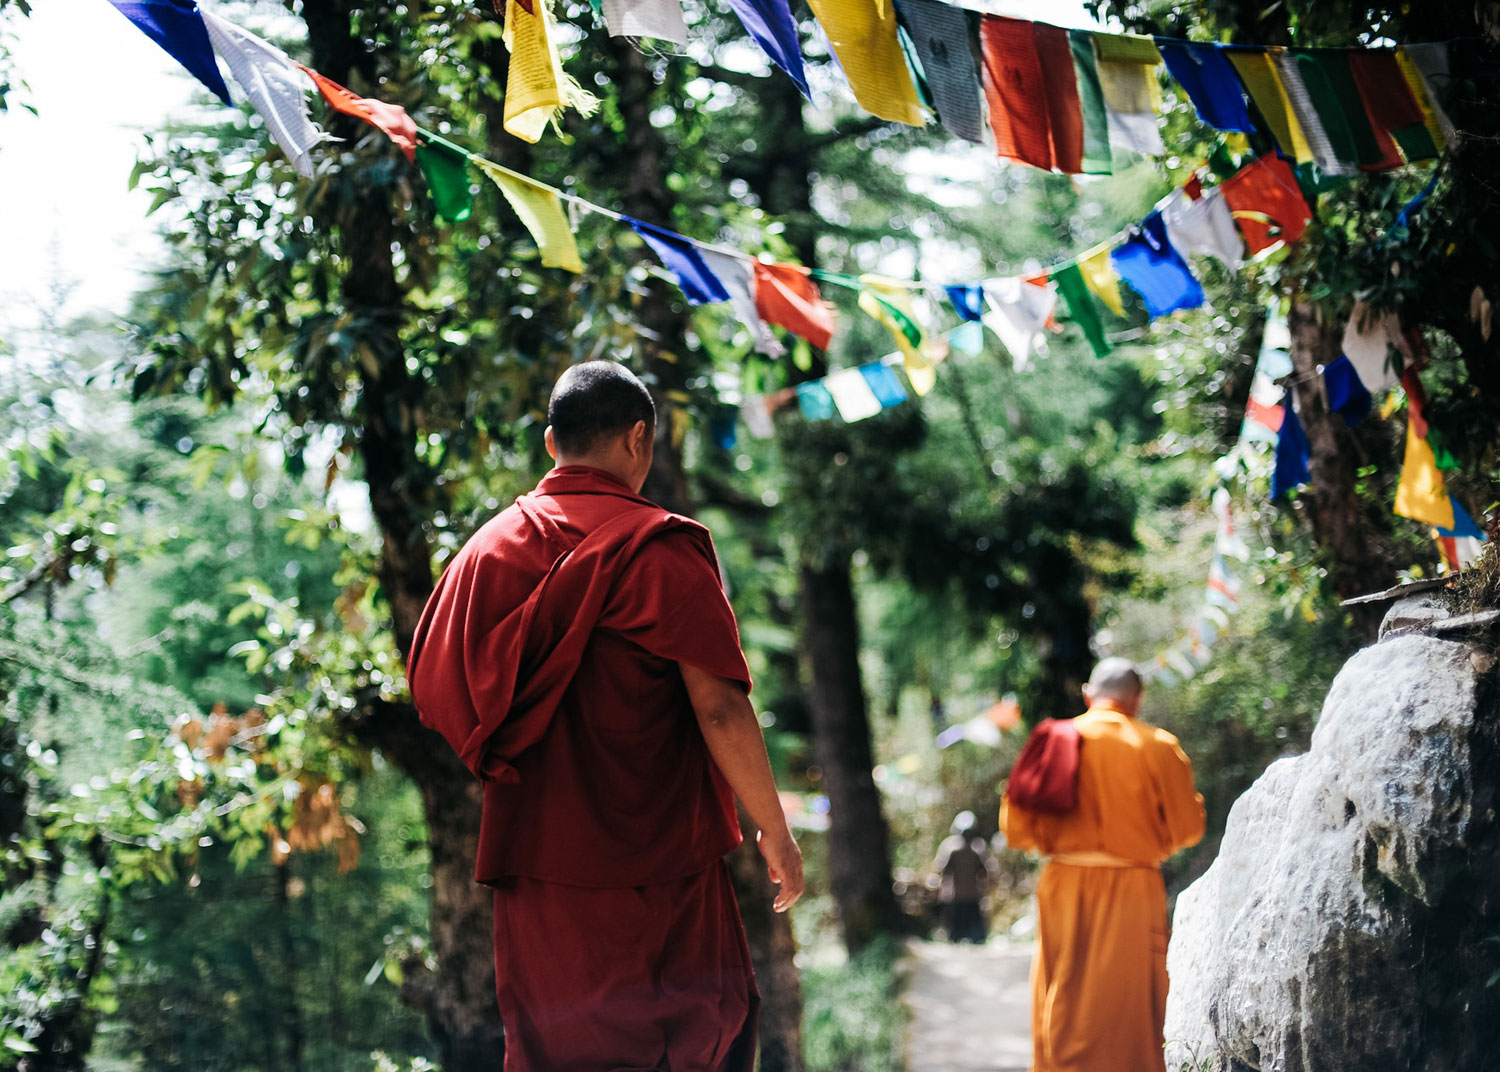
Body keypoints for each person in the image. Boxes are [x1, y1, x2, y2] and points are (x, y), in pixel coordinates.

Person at [406, 360, 804, 1072]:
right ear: (638, 439)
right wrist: (773, 830)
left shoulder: (485, 555)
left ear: (552, 441)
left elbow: (436, 692)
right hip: (660, 866)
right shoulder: (659, 548)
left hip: (539, 868)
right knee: (691, 1041)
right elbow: (718, 707)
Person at [1000, 658, 1204, 1072]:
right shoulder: (1158, 745)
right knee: (1128, 1000)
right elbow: (1188, 829)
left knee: (1063, 988)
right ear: (1138, 700)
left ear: (1089, 695)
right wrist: (1153, 843)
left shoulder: (1054, 739)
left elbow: (1015, 830)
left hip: (1063, 882)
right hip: (1133, 884)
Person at [928, 810, 996, 943]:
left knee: (961, 936)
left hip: (961, 897)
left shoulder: (956, 846)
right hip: (960, 897)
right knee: (968, 936)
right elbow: (987, 871)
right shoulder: (973, 847)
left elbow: (939, 869)